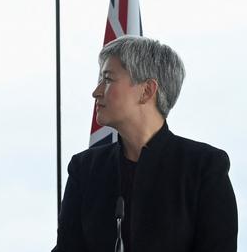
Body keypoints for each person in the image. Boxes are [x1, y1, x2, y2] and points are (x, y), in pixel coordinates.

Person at [52, 35, 237, 252]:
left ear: (147, 90)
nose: (96, 91)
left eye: (108, 79)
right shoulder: (84, 169)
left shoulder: (204, 167)